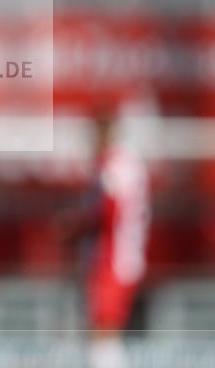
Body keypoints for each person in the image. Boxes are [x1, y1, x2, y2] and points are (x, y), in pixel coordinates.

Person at [55, 104, 151, 368]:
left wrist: (75, 228)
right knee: (106, 331)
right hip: (124, 254)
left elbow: (109, 212)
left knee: (102, 330)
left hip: (112, 257)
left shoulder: (113, 165)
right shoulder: (129, 163)